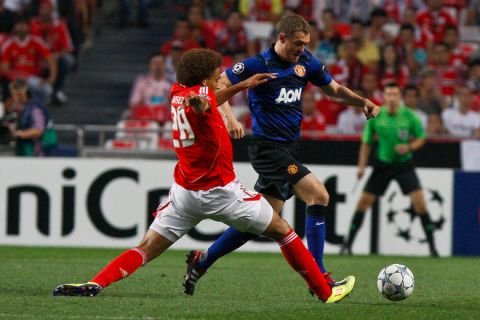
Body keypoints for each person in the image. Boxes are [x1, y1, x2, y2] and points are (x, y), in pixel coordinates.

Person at [52, 48, 355, 303]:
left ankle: (96, 283)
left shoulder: (176, 90)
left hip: (184, 194)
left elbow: (206, 97)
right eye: (215, 74)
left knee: (144, 248)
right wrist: (241, 85)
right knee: (283, 230)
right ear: (204, 78)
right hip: (221, 192)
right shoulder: (199, 95)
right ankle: (324, 289)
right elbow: (205, 100)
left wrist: (226, 91)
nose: (218, 76)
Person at [182, 14, 379, 295]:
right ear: (282, 38)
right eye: (298, 43)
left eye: (306, 43)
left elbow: (333, 89)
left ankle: (202, 262)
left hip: (287, 148)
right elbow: (220, 84)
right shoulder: (256, 64)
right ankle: (320, 277)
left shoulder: (307, 62)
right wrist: (229, 117)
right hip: (266, 148)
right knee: (318, 195)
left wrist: (362, 102)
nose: (302, 48)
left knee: (260, 221)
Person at [341, 82, 439, 257]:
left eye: (395, 95)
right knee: (363, 203)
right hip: (382, 165)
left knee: (420, 204)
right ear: (384, 97)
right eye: (389, 95)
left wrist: (409, 147)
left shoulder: (410, 116)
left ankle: (432, 248)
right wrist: (361, 166)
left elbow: (421, 138)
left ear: (399, 97)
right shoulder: (377, 115)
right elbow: (366, 143)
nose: (392, 98)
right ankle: (347, 245)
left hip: (404, 165)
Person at [5, 78, 52, 156]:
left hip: (40, 151)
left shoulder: (34, 107)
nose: (12, 98)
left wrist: (18, 134)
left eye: (13, 95)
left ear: (20, 94)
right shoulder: (25, 107)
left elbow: (38, 130)